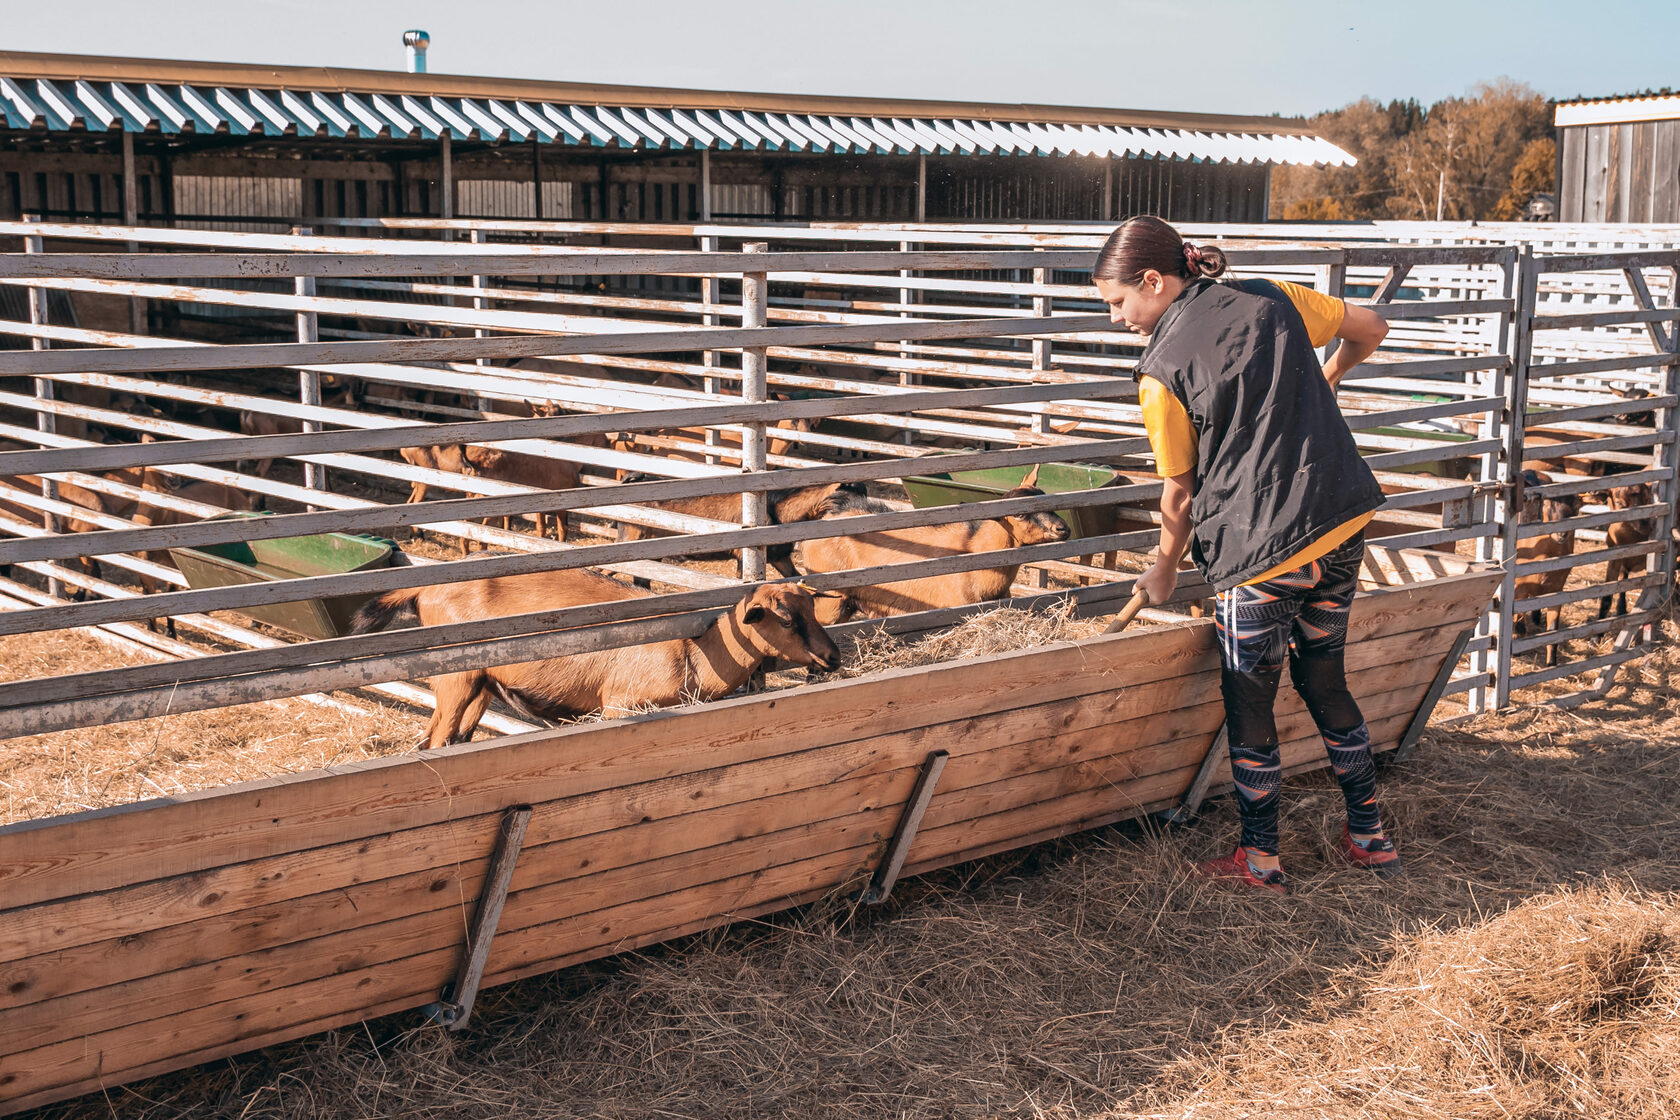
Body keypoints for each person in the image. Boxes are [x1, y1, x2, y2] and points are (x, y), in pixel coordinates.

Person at [1092, 215, 1399, 895]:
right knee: (1325, 679)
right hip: (1339, 523)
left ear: (1152, 280)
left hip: (1261, 549)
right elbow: (1371, 328)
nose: (1118, 319)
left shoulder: (1161, 370)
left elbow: (1179, 493)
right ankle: (1370, 839)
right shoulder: (1273, 296)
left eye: (1118, 303)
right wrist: (1331, 372)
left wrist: (1166, 566)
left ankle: (1260, 859)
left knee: (1250, 698)